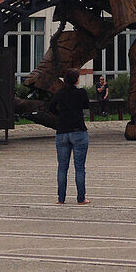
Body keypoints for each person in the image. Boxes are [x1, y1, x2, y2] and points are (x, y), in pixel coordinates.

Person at [48, 69, 91, 205]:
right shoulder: (81, 93)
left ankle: (61, 198)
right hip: (78, 131)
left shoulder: (59, 94)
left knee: (62, 167)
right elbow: (86, 106)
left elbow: (51, 107)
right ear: (76, 80)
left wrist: (60, 114)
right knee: (79, 167)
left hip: (62, 132)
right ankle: (81, 198)